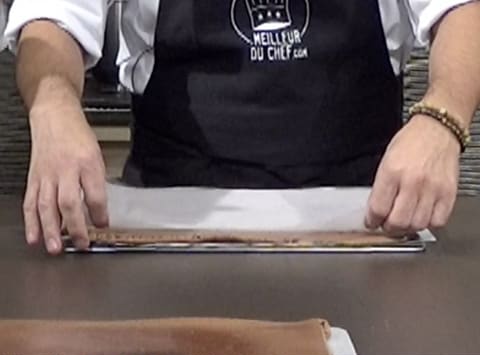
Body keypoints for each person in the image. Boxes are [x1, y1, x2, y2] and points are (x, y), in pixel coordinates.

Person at [4, 0, 480, 255]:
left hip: (370, 221)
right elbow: (51, 20)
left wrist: (442, 118)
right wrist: (53, 107)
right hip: (167, 226)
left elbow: (464, 11)